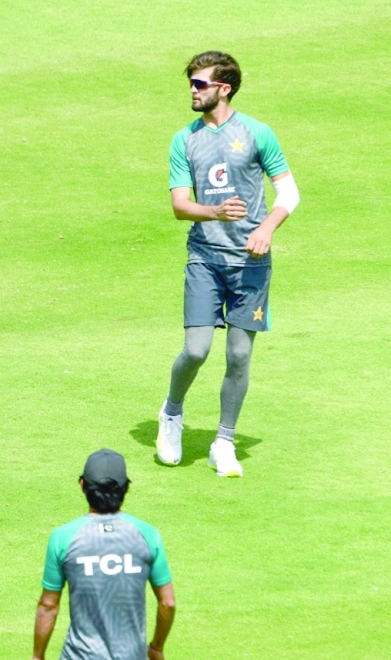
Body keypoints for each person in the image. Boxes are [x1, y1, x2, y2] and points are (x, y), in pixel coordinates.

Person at [156, 51, 300, 476]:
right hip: (205, 258)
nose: (192, 90)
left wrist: (267, 228)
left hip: (252, 263)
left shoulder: (258, 133)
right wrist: (216, 213)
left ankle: (224, 440)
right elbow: (180, 207)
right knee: (197, 350)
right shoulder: (184, 139)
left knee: (239, 355)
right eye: (191, 83)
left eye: (200, 84)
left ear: (225, 87)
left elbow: (289, 193)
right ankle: (171, 414)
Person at [33, 449, 175, 660]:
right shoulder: (147, 535)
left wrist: (38, 657)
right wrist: (156, 648)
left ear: (82, 485)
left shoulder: (63, 537)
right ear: (126, 487)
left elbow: (48, 606)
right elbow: (168, 602)